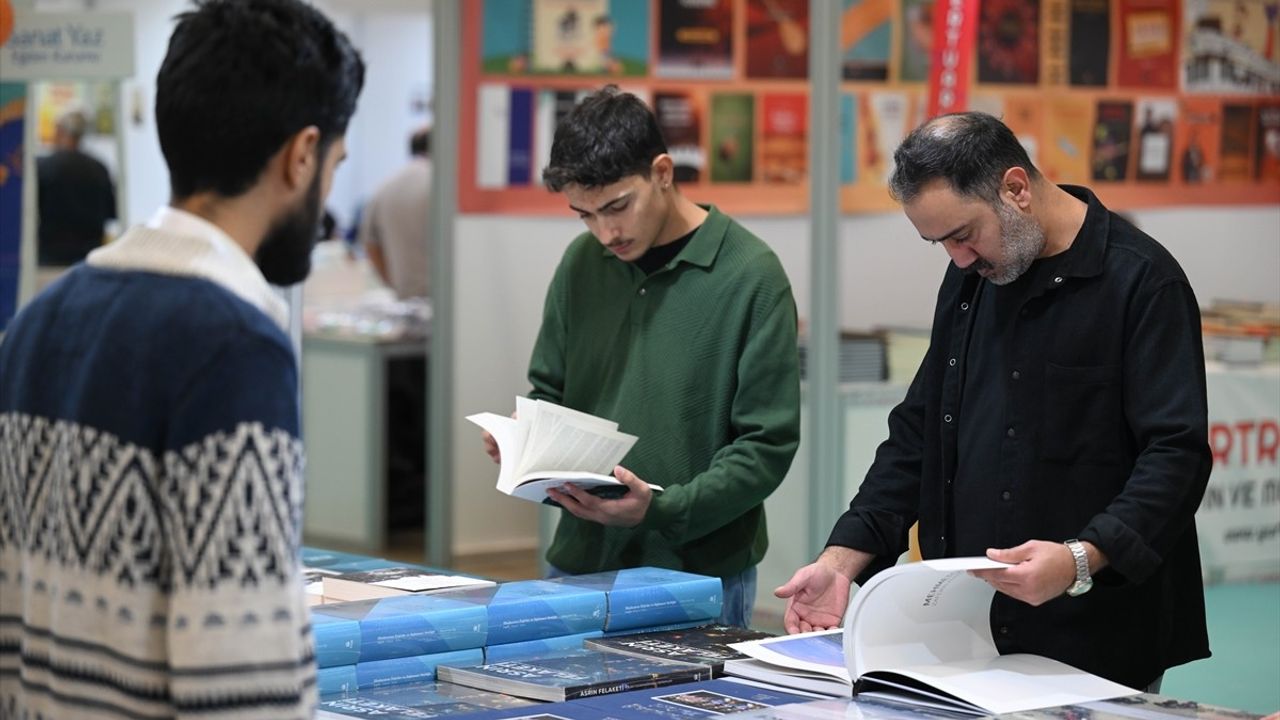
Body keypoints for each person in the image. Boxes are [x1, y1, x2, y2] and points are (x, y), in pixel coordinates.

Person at [0, 1, 364, 717]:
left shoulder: (37, 322)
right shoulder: (234, 346)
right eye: (333, 166)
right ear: (301, 154)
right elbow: (240, 679)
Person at [775, 112, 1212, 691]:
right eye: (939, 243)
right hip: (964, 629)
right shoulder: (973, 279)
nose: (957, 258)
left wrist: (1083, 557)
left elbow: (1176, 456)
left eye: (962, 233)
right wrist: (843, 558)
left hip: (1096, 636)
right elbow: (919, 433)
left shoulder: (1142, 283)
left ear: (1015, 188)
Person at [481, 86, 801, 628]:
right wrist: (524, 436)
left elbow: (765, 447)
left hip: (699, 575)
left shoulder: (751, 275)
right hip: (581, 562)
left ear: (662, 172)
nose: (606, 232)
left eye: (617, 207)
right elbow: (547, 390)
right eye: (584, 215)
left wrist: (663, 509)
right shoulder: (582, 263)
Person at [36, 109, 117, 265]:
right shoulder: (99, 168)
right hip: (90, 256)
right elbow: (111, 212)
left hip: (50, 257)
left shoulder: (43, 166)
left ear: (59, 131)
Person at [359, 126, 431, 299]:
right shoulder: (443, 184)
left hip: (405, 298)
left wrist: (394, 283)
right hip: (444, 301)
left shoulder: (385, 187)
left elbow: (370, 245)